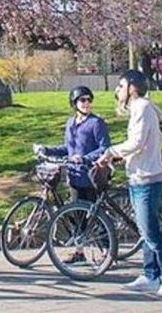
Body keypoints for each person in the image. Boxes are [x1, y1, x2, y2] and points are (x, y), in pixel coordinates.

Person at [97, 69, 162, 298]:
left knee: (151, 232)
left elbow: (136, 142)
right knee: (144, 231)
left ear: (132, 87)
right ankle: (150, 275)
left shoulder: (142, 107)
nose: (117, 90)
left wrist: (111, 152)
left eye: (120, 86)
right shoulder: (139, 108)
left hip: (146, 179)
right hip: (138, 177)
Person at [32, 85, 111, 264]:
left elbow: (104, 148)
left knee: (96, 217)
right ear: (74, 103)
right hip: (74, 177)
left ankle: (108, 252)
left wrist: (84, 158)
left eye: (89, 100)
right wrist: (47, 149)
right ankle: (79, 252)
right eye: (82, 100)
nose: (86, 103)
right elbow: (67, 148)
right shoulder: (70, 124)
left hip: (91, 176)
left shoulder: (96, 123)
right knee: (77, 216)